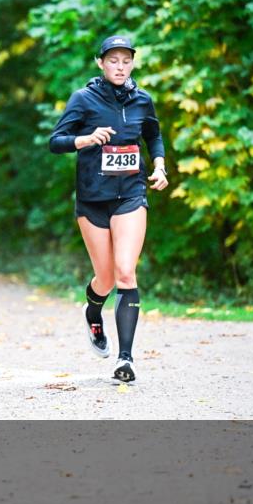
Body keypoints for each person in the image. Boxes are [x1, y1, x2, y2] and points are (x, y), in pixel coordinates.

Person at [49, 35, 169, 383]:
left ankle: (126, 358)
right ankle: (93, 311)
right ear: (100, 63)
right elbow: (55, 141)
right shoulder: (83, 99)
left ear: (132, 63)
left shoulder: (142, 100)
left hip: (131, 193)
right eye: (113, 60)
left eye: (126, 60)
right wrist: (84, 140)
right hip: (93, 199)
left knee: (125, 272)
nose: (120, 66)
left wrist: (159, 166)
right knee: (104, 277)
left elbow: (153, 136)